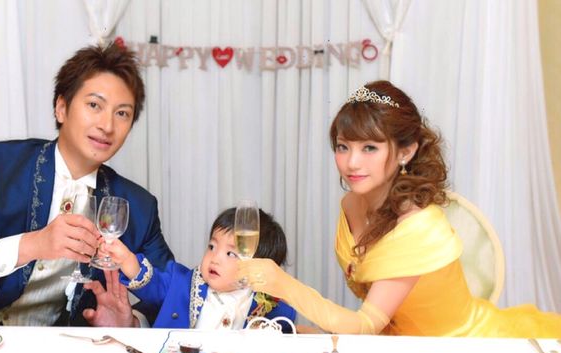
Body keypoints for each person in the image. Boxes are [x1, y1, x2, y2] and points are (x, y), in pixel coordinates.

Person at [237, 80, 561, 337]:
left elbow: (366, 323)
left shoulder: (420, 227)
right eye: (343, 146)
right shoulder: (351, 203)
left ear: (406, 151)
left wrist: (283, 284)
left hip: (458, 348)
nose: (351, 163)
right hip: (399, 343)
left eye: (369, 148)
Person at [0, 42, 174, 325]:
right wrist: (34, 244)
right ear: (61, 108)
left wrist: (132, 322)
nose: (107, 125)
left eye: (122, 113)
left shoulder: (138, 207)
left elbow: (177, 296)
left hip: (53, 349)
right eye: (94, 105)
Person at [82, 207, 297, 332]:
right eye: (212, 247)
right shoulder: (181, 283)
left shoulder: (269, 307)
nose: (215, 258)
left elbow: (285, 339)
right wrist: (127, 259)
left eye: (231, 254)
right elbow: (152, 282)